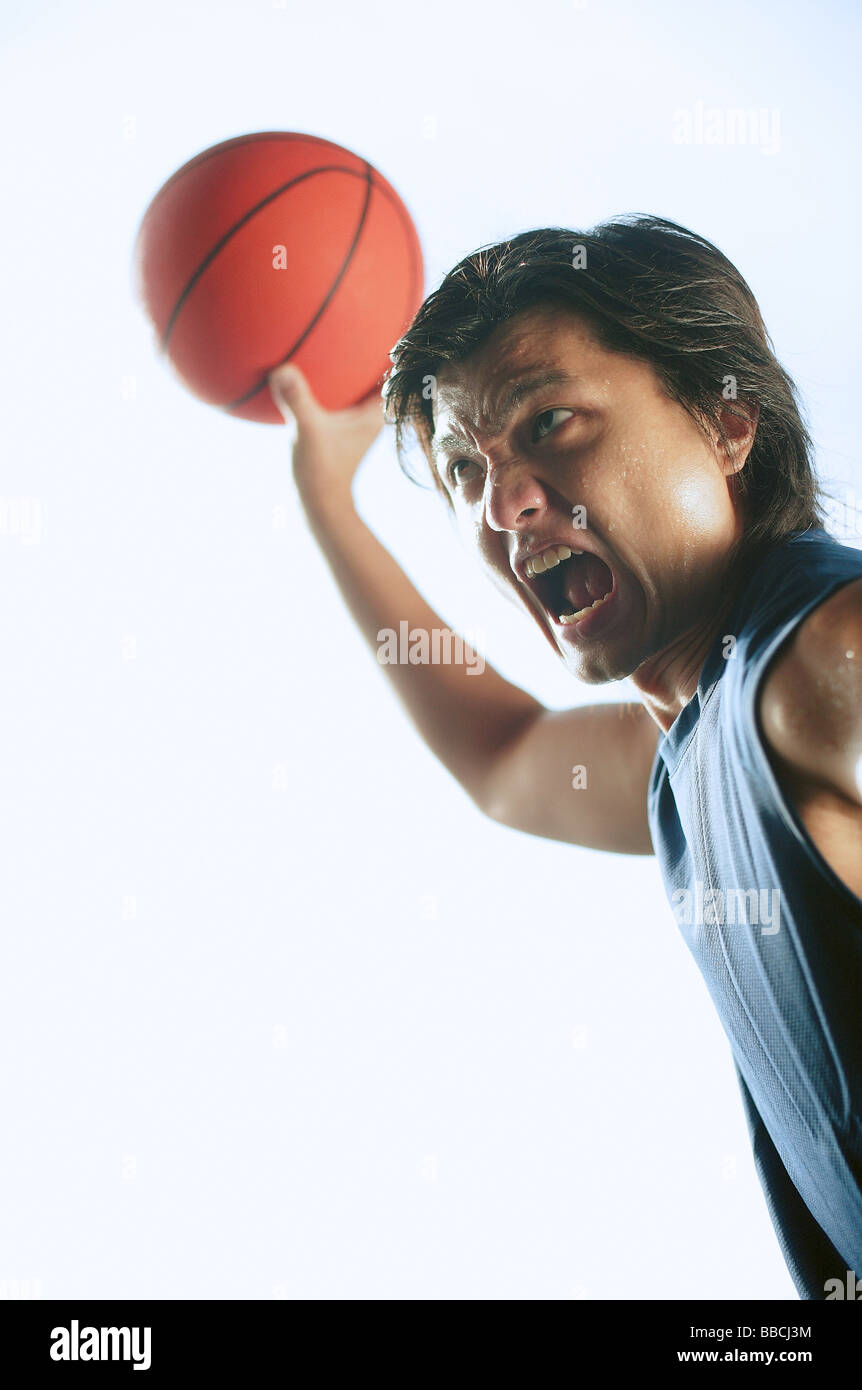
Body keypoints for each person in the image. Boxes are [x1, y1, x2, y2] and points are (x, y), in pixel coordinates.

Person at [268, 217, 862, 1300]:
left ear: (727, 423)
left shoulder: (826, 657)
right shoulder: (700, 750)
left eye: (550, 422)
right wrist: (327, 500)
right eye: (463, 468)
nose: (504, 502)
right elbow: (504, 758)